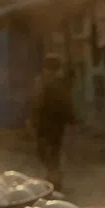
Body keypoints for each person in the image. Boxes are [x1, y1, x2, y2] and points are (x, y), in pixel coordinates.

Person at [30, 55, 76, 191]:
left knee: (49, 152)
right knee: (46, 153)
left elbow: (66, 104)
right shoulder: (45, 82)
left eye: (52, 69)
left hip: (52, 124)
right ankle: (54, 177)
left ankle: (55, 180)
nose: (49, 72)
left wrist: (72, 120)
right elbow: (36, 103)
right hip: (48, 124)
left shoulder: (54, 83)